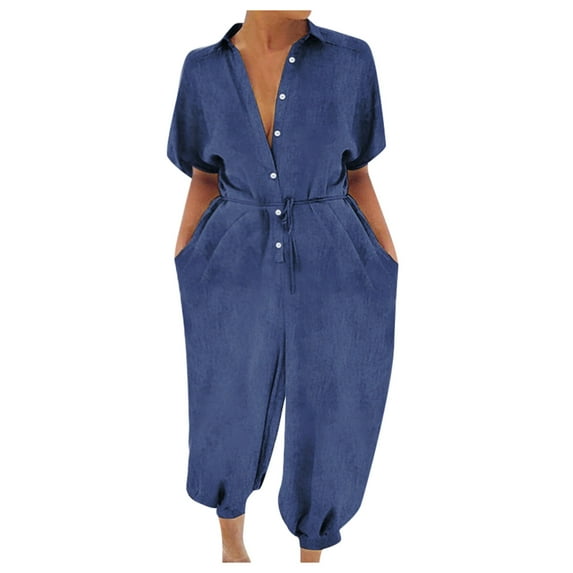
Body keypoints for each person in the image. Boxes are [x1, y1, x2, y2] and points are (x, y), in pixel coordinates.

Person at [167, 9, 399, 563]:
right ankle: (232, 546)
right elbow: (203, 176)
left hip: (338, 253)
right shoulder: (203, 69)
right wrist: (187, 255)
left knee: (336, 402)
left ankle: (311, 554)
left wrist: (385, 256)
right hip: (231, 255)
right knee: (226, 399)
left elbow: (359, 172)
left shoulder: (352, 59)